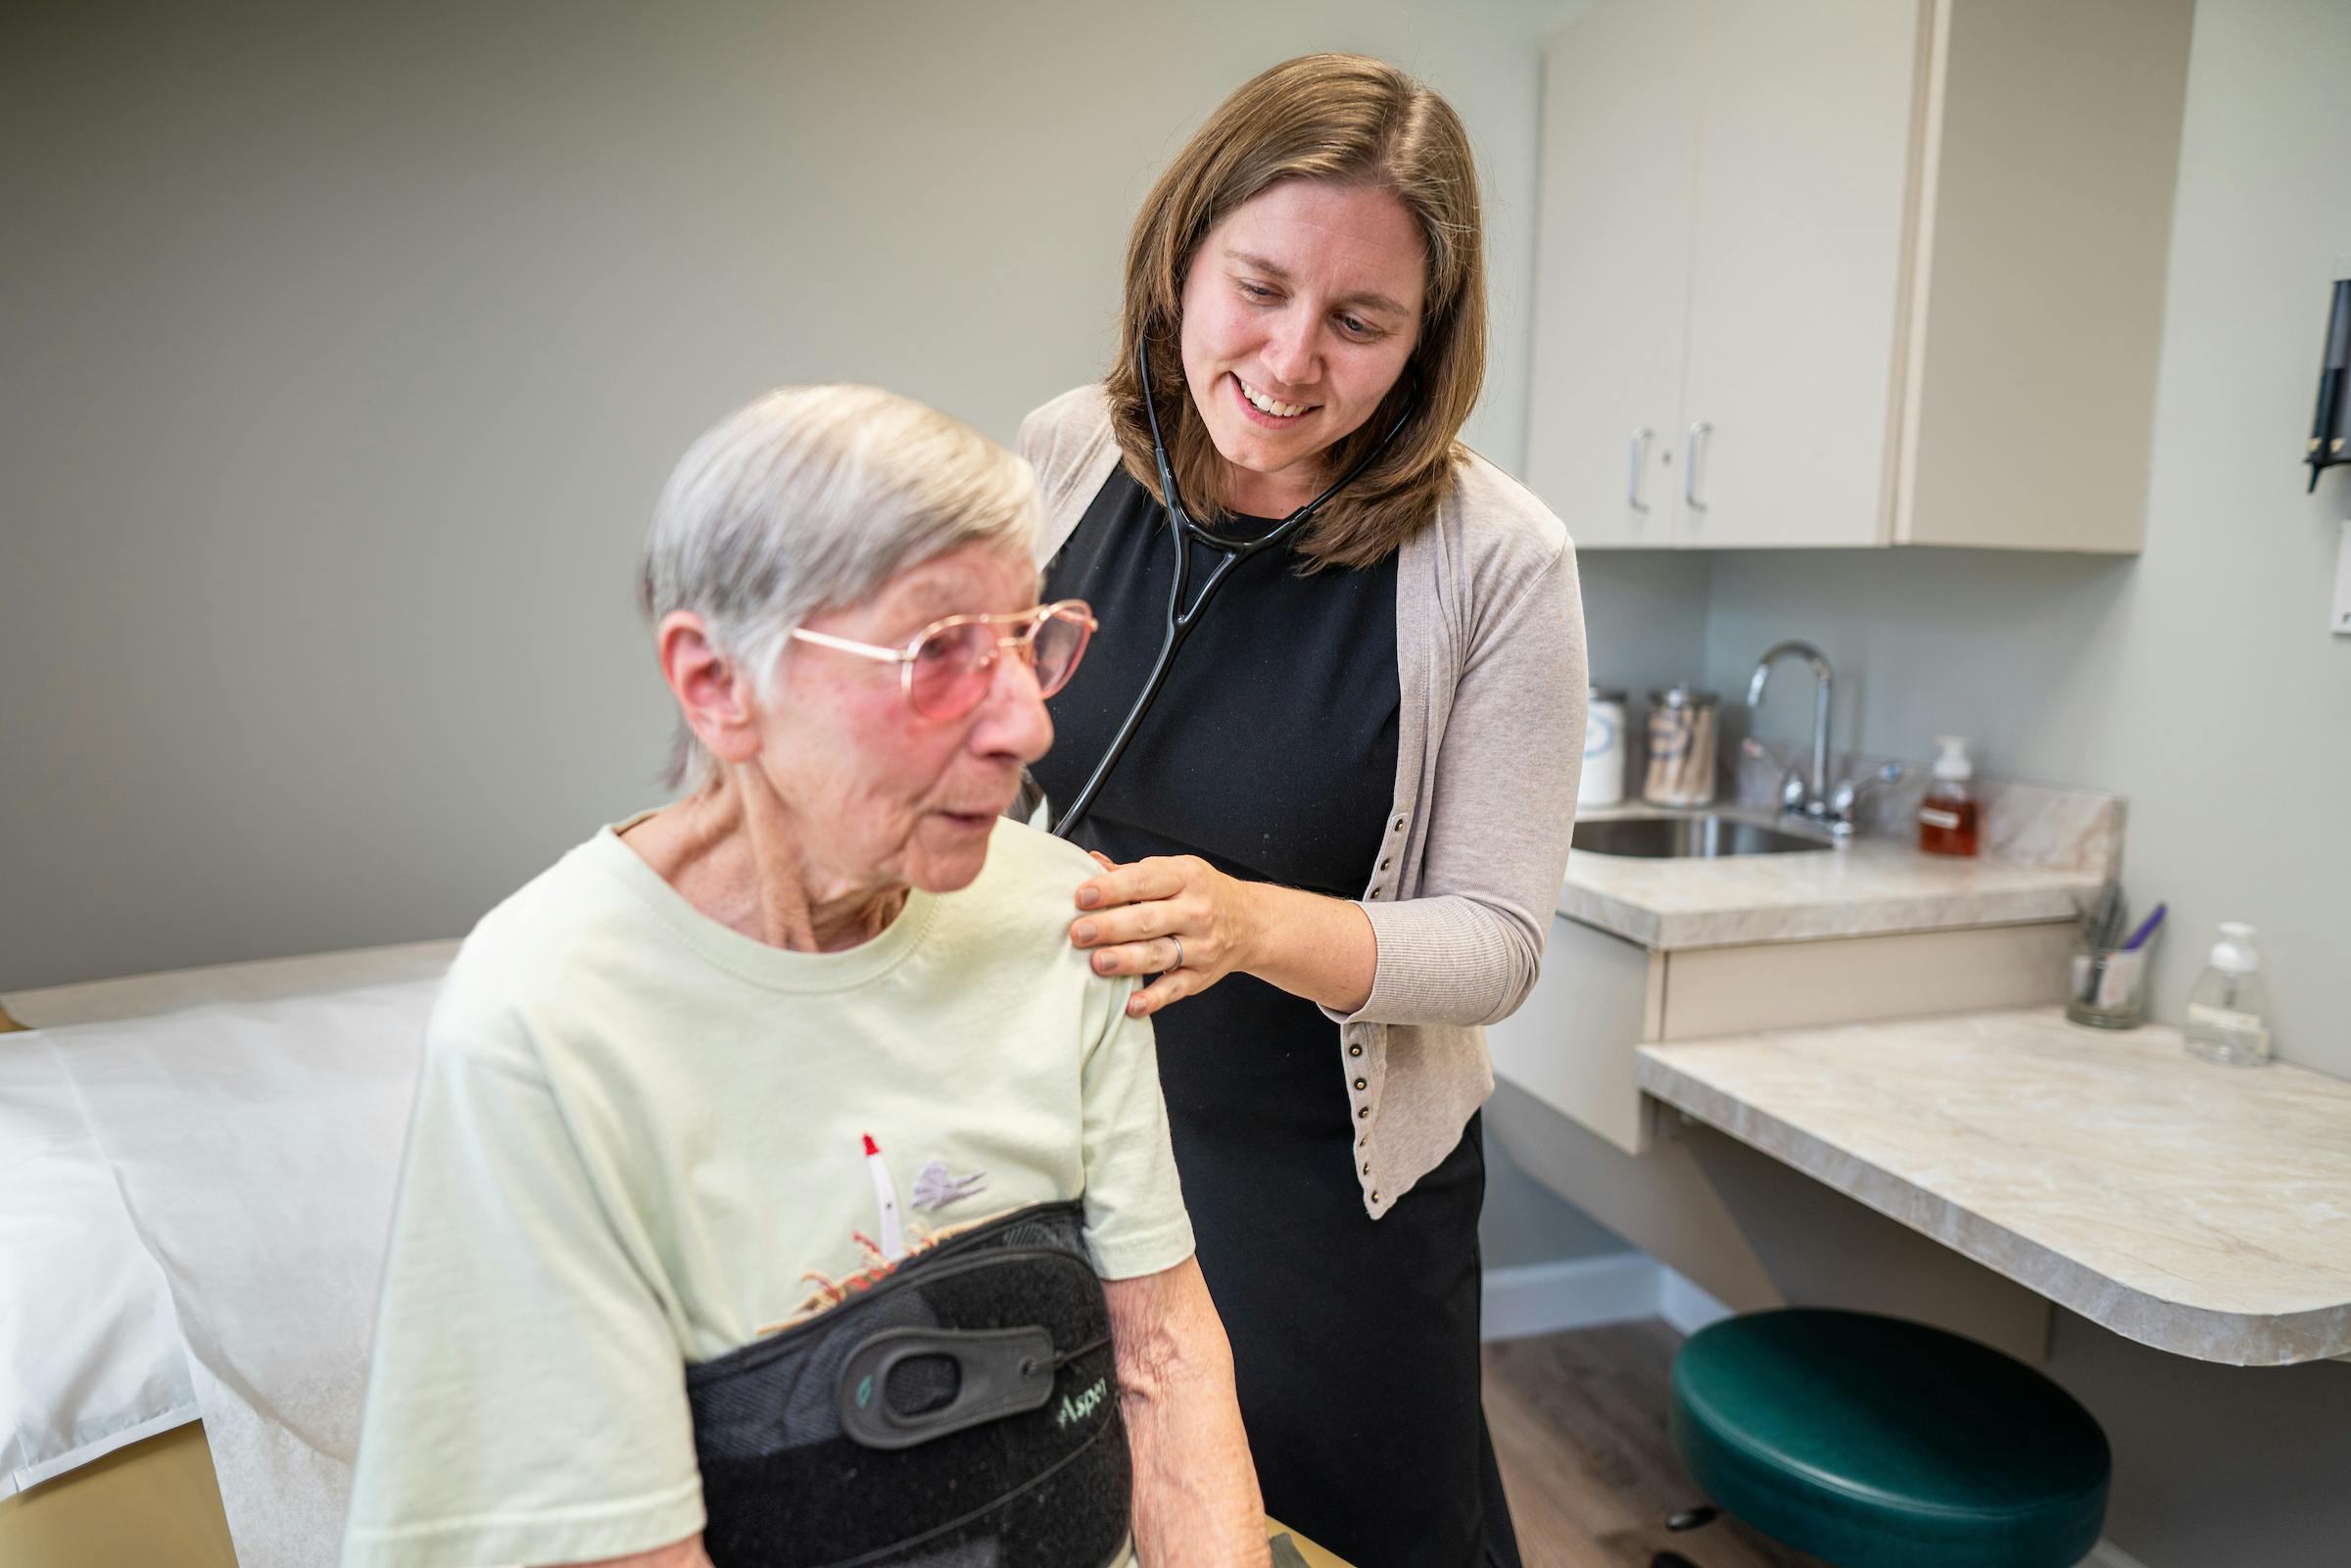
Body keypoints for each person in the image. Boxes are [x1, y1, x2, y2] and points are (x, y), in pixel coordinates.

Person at [343, 386, 1268, 1568]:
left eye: (1027, 642)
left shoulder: (1057, 909)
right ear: (719, 682)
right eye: (939, 653)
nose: (1028, 726)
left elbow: (1163, 1361)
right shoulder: (547, 1019)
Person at [1021, 54, 1588, 1568]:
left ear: (1427, 342)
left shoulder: (1497, 560)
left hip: (1325, 1189)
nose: (1288, 358)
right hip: (1072, 1143)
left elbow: (1495, 944)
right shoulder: (1065, 454)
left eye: (1360, 321)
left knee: (1356, 1529)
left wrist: (1246, 920)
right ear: (1180, 258)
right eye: (1257, 287)